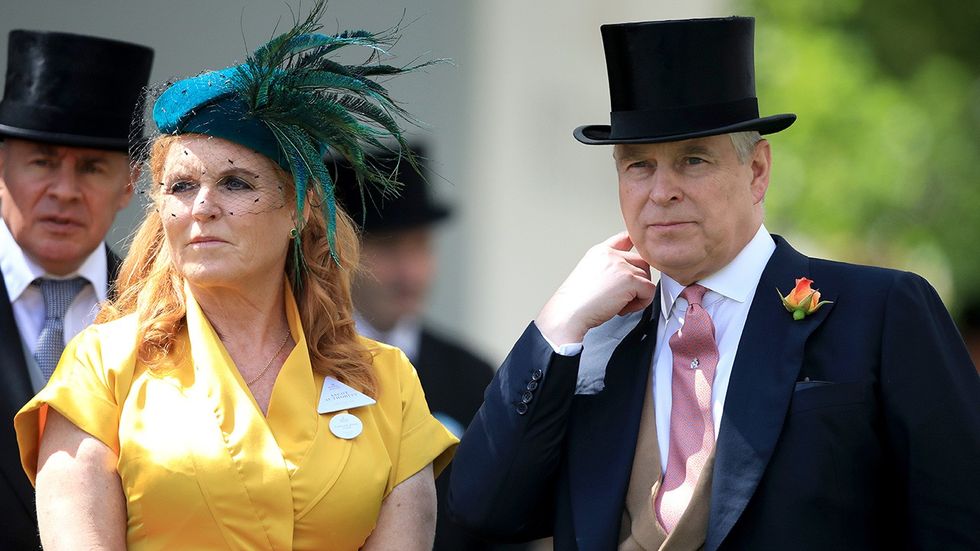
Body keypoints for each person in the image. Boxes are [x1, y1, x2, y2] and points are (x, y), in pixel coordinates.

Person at [448, 16, 980, 550]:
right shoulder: (591, 346)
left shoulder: (882, 311)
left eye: (693, 160)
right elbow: (479, 510)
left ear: (757, 172)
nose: (662, 191)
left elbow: (961, 518)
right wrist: (556, 323)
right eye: (638, 166)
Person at [14, 3, 456, 549]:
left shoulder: (385, 381)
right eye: (180, 187)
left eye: (235, 183)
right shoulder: (102, 367)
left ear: (298, 209)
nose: (201, 207)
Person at [0, 30, 152, 549]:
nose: (64, 191)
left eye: (91, 168)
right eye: (42, 161)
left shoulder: (167, 310)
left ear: (130, 183)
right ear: (1, 165)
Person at [335, 149, 529, 551]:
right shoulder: (302, 361)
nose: (411, 272)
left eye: (421, 246)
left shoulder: (473, 374)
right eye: (388, 247)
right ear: (341, 250)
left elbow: (500, 514)